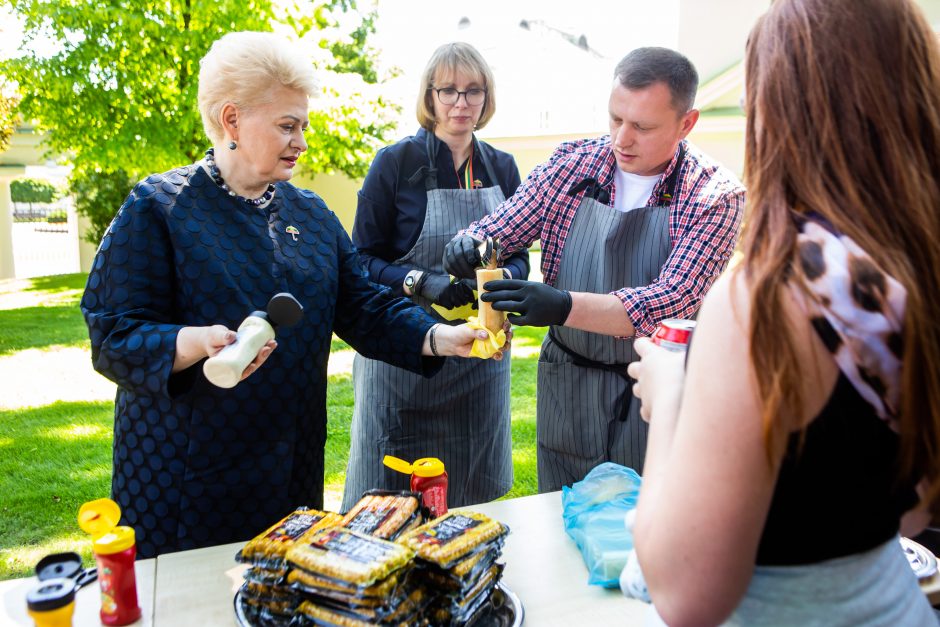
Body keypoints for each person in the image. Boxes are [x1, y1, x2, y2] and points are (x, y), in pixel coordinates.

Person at [80, 31, 497, 558]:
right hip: (186, 474)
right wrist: (191, 342)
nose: (301, 141)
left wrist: (439, 336)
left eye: (303, 125)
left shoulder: (311, 214)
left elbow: (365, 303)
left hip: (289, 463)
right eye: (286, 126)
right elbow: (113, 333)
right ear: (231, 120)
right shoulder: (159, 208)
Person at [627, 0, 940, 623]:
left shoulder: (767, 301)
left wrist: (670, 402)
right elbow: (908, 510)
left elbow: (688, 594)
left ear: (778, 109)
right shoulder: (918, 268)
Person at [444, 47, 744, 491]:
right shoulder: (571, 164)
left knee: (645, 533)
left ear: (687, 123)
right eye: (615, 118)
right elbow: (503, 227)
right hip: (570, 383)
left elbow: (672, 298)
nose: (622, 139)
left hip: (656, 392)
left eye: (642, 126)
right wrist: (470, 244)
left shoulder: (715, 195)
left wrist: (563, 305)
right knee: (559, 519)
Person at [342, 42, 528, 510]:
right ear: (430, 96)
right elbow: (360, 260)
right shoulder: (395, 164)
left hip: (478, 365)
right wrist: (421, 283)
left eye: (472, 91)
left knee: (471, 505)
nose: (460, 103)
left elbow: (522, 257)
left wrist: (495, 280)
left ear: (487, 98)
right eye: (448, 91)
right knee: (392, 504)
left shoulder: (502, 168)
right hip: (403, 360)